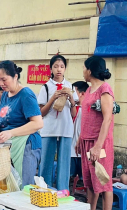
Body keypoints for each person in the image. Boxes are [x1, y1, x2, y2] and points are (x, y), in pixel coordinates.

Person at [0, 60, 43, 188]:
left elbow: (38, 123)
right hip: (9, 145)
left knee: (22, 186)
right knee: (8, 186)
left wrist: (11, 133)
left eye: (4, 79)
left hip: (26, 146)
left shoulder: (26, 94)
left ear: (15, 76)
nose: (1, 83)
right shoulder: (5, 96)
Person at [75, 56, 114, 210]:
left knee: (104, 183)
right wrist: (80, 139)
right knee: (90, 182)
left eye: (84, 68)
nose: (83, 71)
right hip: (86, 142)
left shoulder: (105, 89)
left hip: (100, 143)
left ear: (90, 70)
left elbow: (107, 120)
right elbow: (86, 118)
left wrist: (98, 146)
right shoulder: (90, 89)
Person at [38, 54, 79, 191]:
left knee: (64, 163)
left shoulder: (70, 86)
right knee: (46, 162)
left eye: (62, 66)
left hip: (66, 129)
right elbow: (41, 113)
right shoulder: (46, 87)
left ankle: (63, 191)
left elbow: (74, 114)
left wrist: (72, 100)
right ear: (51, 69)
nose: (59, 70)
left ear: (65, 69)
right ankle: (45, 190)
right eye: (55, 66)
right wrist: (53, 98)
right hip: (49, 128)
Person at [70, 81, 89, 179]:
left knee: (84, 179)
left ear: (82, 94)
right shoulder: (72, 108)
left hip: (83, 152)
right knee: (70, 178)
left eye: (74, 92)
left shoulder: (89, 110)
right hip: (70, 151)